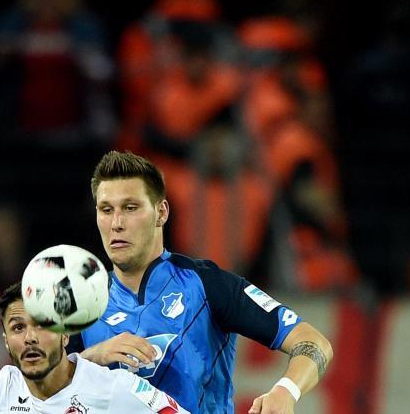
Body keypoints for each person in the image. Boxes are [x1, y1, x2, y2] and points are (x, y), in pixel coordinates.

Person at [68, 150, 333, 414]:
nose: (116, 223)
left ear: (161, 212)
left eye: (130, 207)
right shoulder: (83, 305)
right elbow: (39, 391)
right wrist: (91, 358)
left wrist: (286, 391)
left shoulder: (205, 284)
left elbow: (313, 342)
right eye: (106, 210)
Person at [0, 282, 190, 414]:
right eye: (18, 328)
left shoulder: (115, 388)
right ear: (5, 342)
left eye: (42, 324)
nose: (30, 337)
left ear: (66, 334)